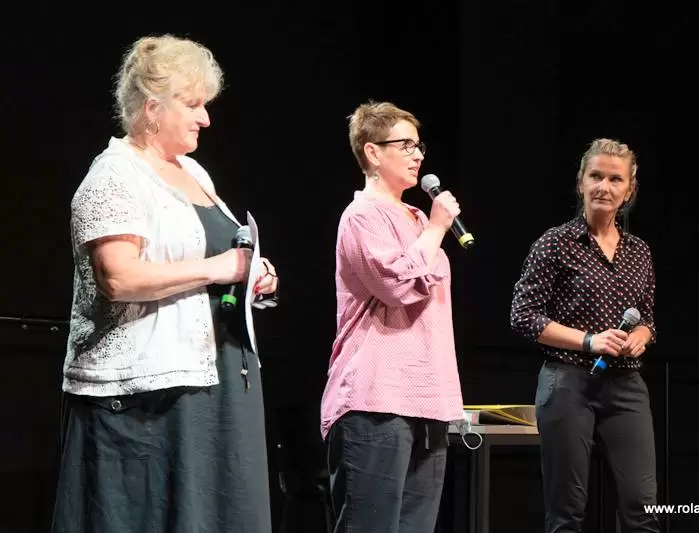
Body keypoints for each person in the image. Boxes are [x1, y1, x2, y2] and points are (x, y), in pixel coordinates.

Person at [51, 34, 279, 533]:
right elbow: (119, 277)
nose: (206, 118)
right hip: (148, 399)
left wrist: (252, 274)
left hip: (214, 378)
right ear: (153, 108)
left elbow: (216, 258)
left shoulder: (192, 172)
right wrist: (220, 269)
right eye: (193, 104)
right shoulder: (115, 176)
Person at [320, 100, 464, 533]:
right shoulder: (362, 216)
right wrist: (438, 229)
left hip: (428, 398)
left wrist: (431, 227)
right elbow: (397, 288)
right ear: (373, 152)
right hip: (376, 398)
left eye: (419, 146)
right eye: (405, 145)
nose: (417, 155)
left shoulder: (418, 218)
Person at [510, 138, 659, 533]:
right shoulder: (555, 243)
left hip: (626, 385)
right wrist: (590, 340)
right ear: (580, 182)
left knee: (642, 508)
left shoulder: (639, 252)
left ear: (629, 190)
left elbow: (648, 318)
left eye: (615, 179)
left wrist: (642, 334)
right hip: (568, 381)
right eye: (596, 176)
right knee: (567, 512)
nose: (603, 187)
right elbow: (523, 316)